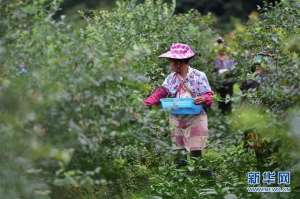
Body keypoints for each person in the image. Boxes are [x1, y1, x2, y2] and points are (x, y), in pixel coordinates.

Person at [144, 43, 214, 167]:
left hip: (196, 115)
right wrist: (147, 102)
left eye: (171, 62)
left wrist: (203, 98)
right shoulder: (171, 78)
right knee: (179, 150)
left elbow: (209, 95)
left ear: (179, 62)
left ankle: (201, 177)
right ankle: (181, 178)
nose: (170, 65)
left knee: (196, 149)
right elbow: (162, 92)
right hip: (177, 116)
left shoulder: (199, 76)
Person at [214, 38, 236, 114]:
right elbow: (214, 68)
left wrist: (227, 71)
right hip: (220, 81)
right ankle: (222, 113)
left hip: (229, 80)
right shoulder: (215, 57)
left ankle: (228, 113)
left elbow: (233, 68)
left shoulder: (229, 57)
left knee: (228, 98)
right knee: (221, 99)